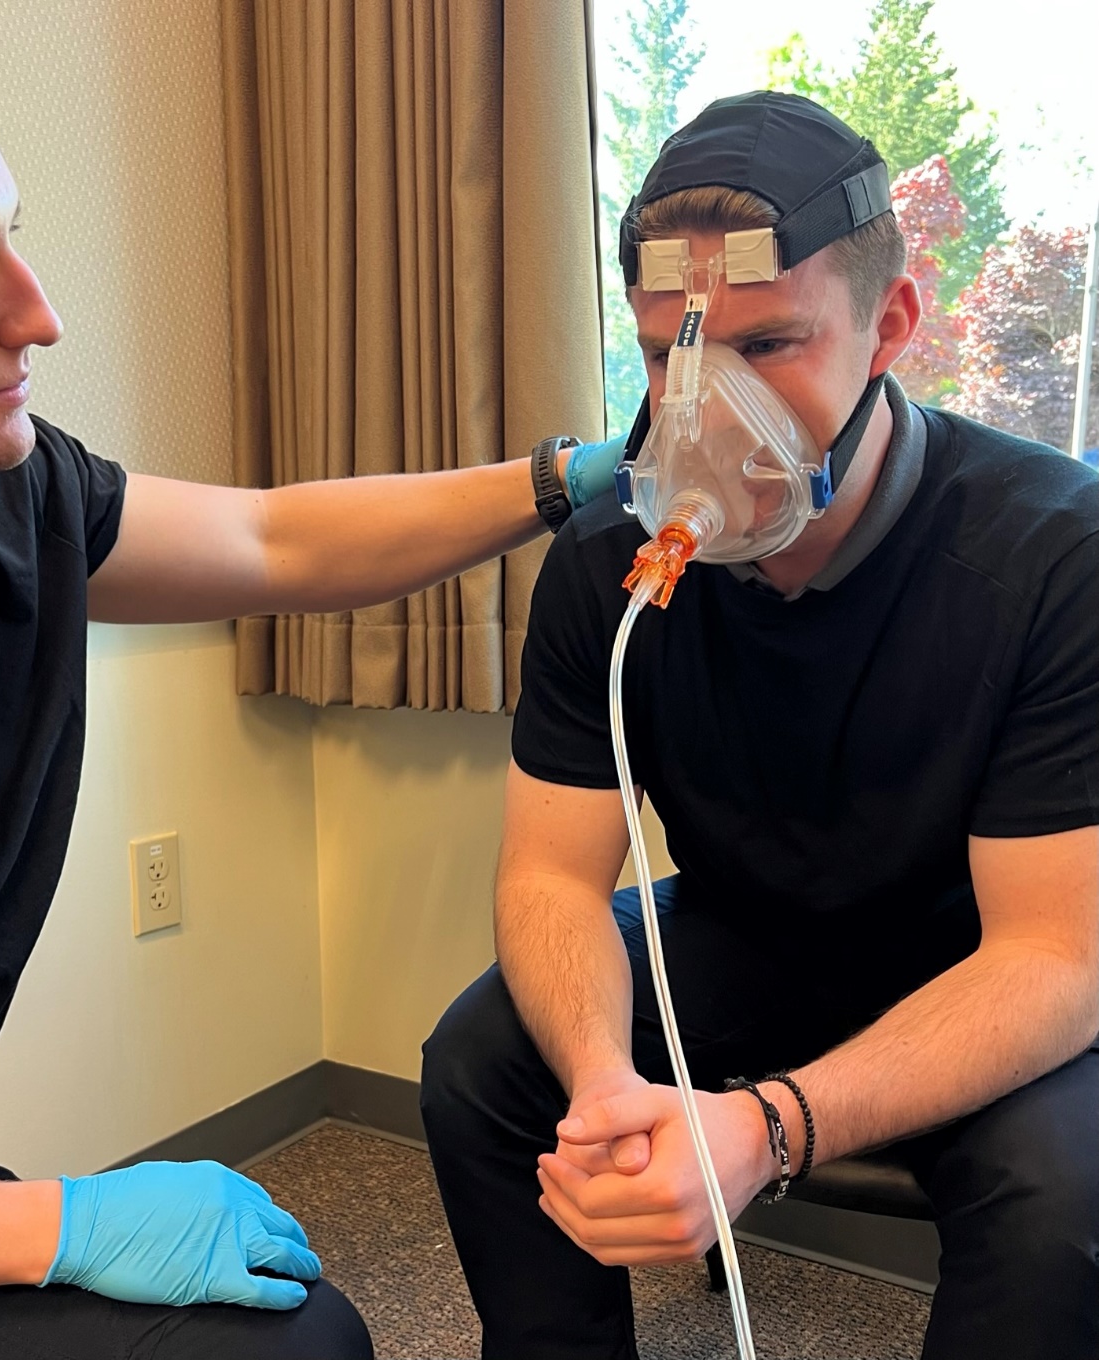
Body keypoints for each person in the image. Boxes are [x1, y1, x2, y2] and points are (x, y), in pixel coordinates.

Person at [0, 4, 624, 1358]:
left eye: (9, 230)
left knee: (302, 1336)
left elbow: (272, 538)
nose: (37, 313)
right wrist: (60, 1223)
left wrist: (560, 480)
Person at [421, 91, 1099, 1360]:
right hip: (748, 933)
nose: (703, 414)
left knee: (1060, 1199)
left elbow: (1058, 959)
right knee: (482, 1062)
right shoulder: (609, 566)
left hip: (983, 963)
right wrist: (604, 1082)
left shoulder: (1055, 556)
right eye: (672, 353)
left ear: (889, 325)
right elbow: (549, 877)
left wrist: (768, 1126)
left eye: (769, 345)